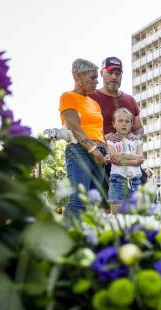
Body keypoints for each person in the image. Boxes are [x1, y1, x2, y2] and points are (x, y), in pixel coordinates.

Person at [89, 57, 145, 204]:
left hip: (130, 162)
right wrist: (105, 137)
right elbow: (83, 127)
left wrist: (133, 136)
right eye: (110, 72)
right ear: (102, 74)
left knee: (141, 205)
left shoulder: (130, 100)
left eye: (118, 73)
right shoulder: (91, 96)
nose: (114, 76)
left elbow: (139, 128)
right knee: (106, 207)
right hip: (102, 159)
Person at [59, 58, 109, 218]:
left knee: (92, 204)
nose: (97, 81)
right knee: (78, 201)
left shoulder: (94, 103)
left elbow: (98, 131)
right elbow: (75, 127)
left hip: (99, 153)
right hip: (80, 151)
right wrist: (94, 151)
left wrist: (104, 150)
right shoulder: (67, 96)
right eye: (93, 77)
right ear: (79, 77)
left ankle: (86, 240)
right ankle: (63, 240)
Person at [106, 108, 144, 212]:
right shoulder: (110, 140)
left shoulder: (136, 141)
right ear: (114, 124)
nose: (124, 124)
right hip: (117, 181)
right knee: (116, 216)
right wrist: (134, 157)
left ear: (132, 124)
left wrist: (122, 157)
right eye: (120, 121)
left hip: (135, 182)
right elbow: (114, 159)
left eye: (127, 121)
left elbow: (140, 160)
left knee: (135, 216)